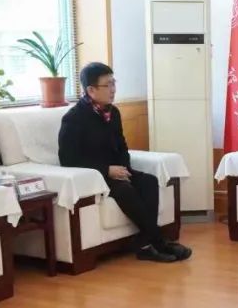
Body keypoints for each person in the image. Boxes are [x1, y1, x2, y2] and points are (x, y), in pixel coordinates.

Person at [58, 62, 191, 264]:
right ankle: (158, 242)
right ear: (91, 90)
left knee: (148, 181)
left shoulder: (113, 113)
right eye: (108, 85)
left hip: (118, 171)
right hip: (96, 177)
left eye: (114, 83)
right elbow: (68, 159)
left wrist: (125, 168)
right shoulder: (74, 119)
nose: (113, 89)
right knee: (125, 190)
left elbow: (121, 145)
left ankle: (145, 244)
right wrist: (107, 170)